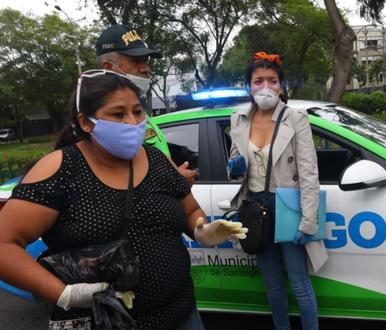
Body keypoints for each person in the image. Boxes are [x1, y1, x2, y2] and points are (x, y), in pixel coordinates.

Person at [0, 71, 246, 329]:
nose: (132, 122)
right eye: (118, 114)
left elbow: (190, 210)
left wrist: (203, 230)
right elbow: (5, 245)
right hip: (105, 322)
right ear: (86, 122)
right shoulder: (61, 169)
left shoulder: (157, 160)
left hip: (182, 315)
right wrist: (64, 294)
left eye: (138, 112)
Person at [227, 52, 328, 330]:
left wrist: (308, 220)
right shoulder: (239, 118)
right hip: (254, 209)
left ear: (281, 86)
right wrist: (234, 166)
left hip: (287, 207)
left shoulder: (295, 118)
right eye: (258, 81)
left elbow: (309, 172)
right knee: (271, 284)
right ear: (249, 86)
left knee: (299, 282)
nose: (265, 87)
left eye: (272, 81)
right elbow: (236, 167)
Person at [94, 24, 197, 185]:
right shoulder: (102, 124)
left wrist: (175, 178)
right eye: (136, 61)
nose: (146, 69)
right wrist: (175, 182)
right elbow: (115, 182)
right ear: (108, 67)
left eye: (146, 61)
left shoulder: (141, 113)